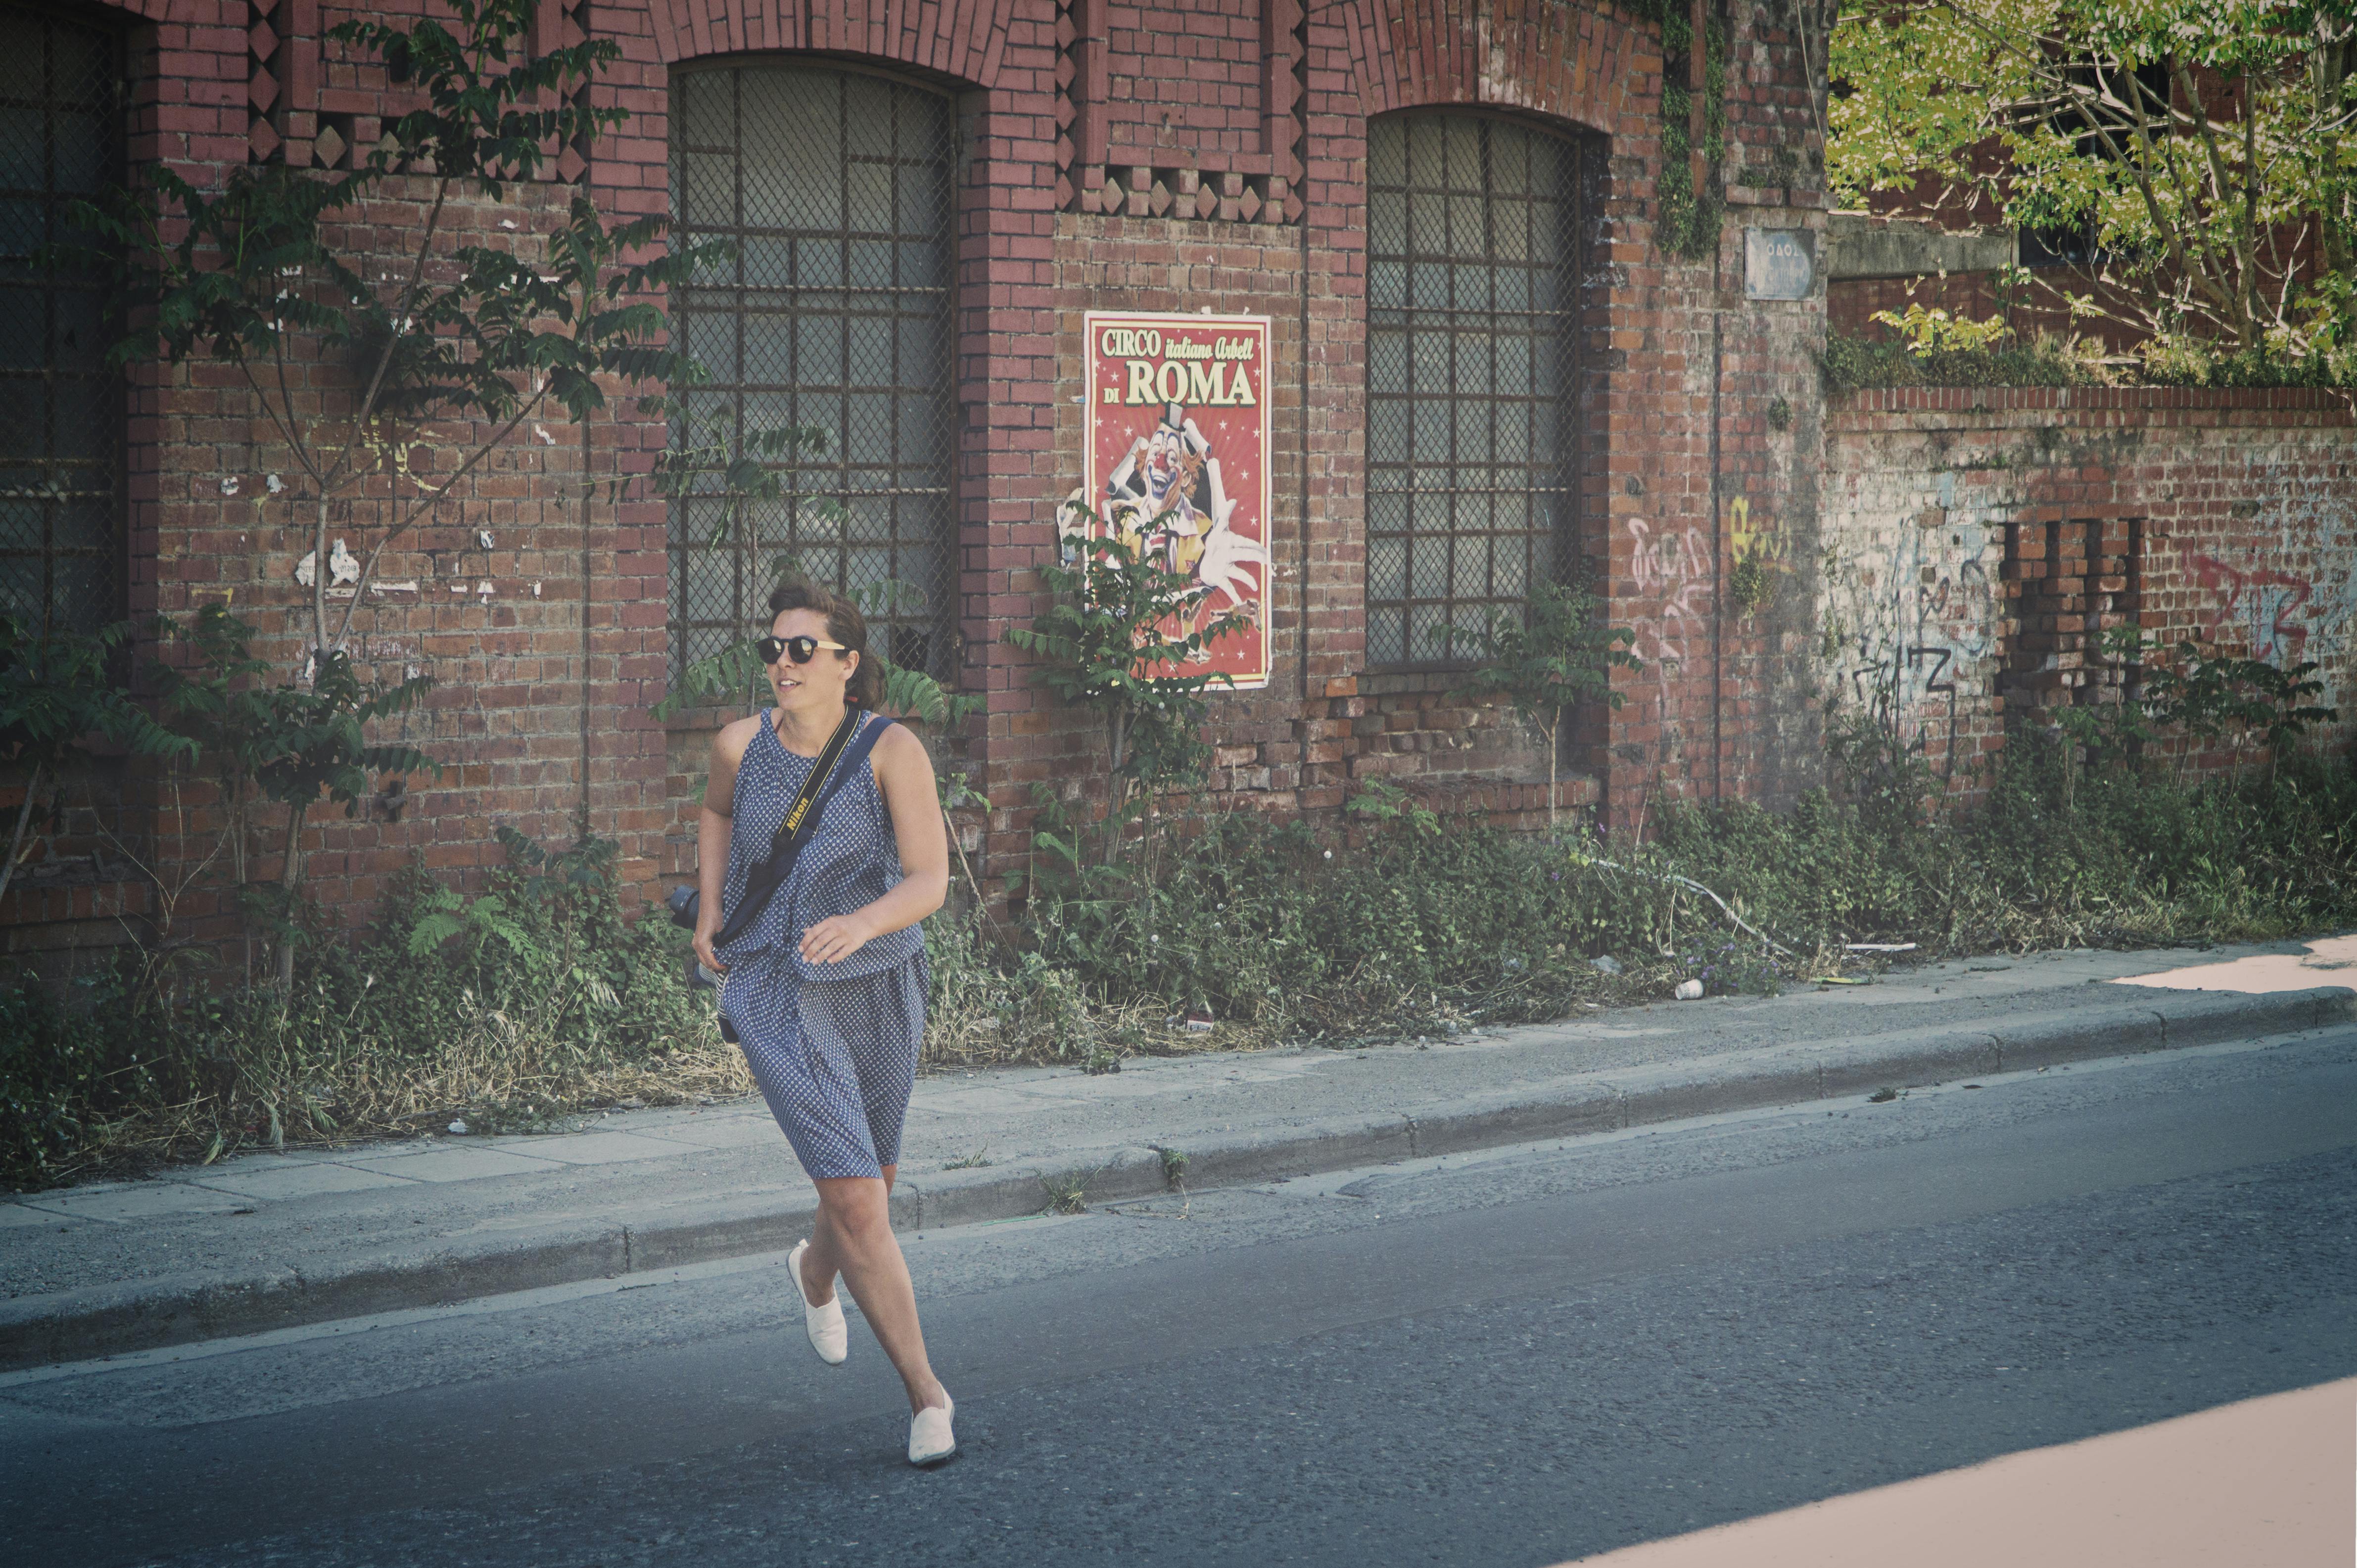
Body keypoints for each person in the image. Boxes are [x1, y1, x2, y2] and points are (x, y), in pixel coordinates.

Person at [692, 581, 956, 1467]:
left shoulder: (893, 749)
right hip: (775, 985)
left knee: (871, 1179)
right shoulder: (740, 746)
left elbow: (929, 881)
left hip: (877, 981)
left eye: (801, 649)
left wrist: (862, 923)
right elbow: (719, 812)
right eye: (772, 648)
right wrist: (711, 912)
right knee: (856, 1196)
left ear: (848, 662)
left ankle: (816, 1269)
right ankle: (929, 1397)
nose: (782, 663)